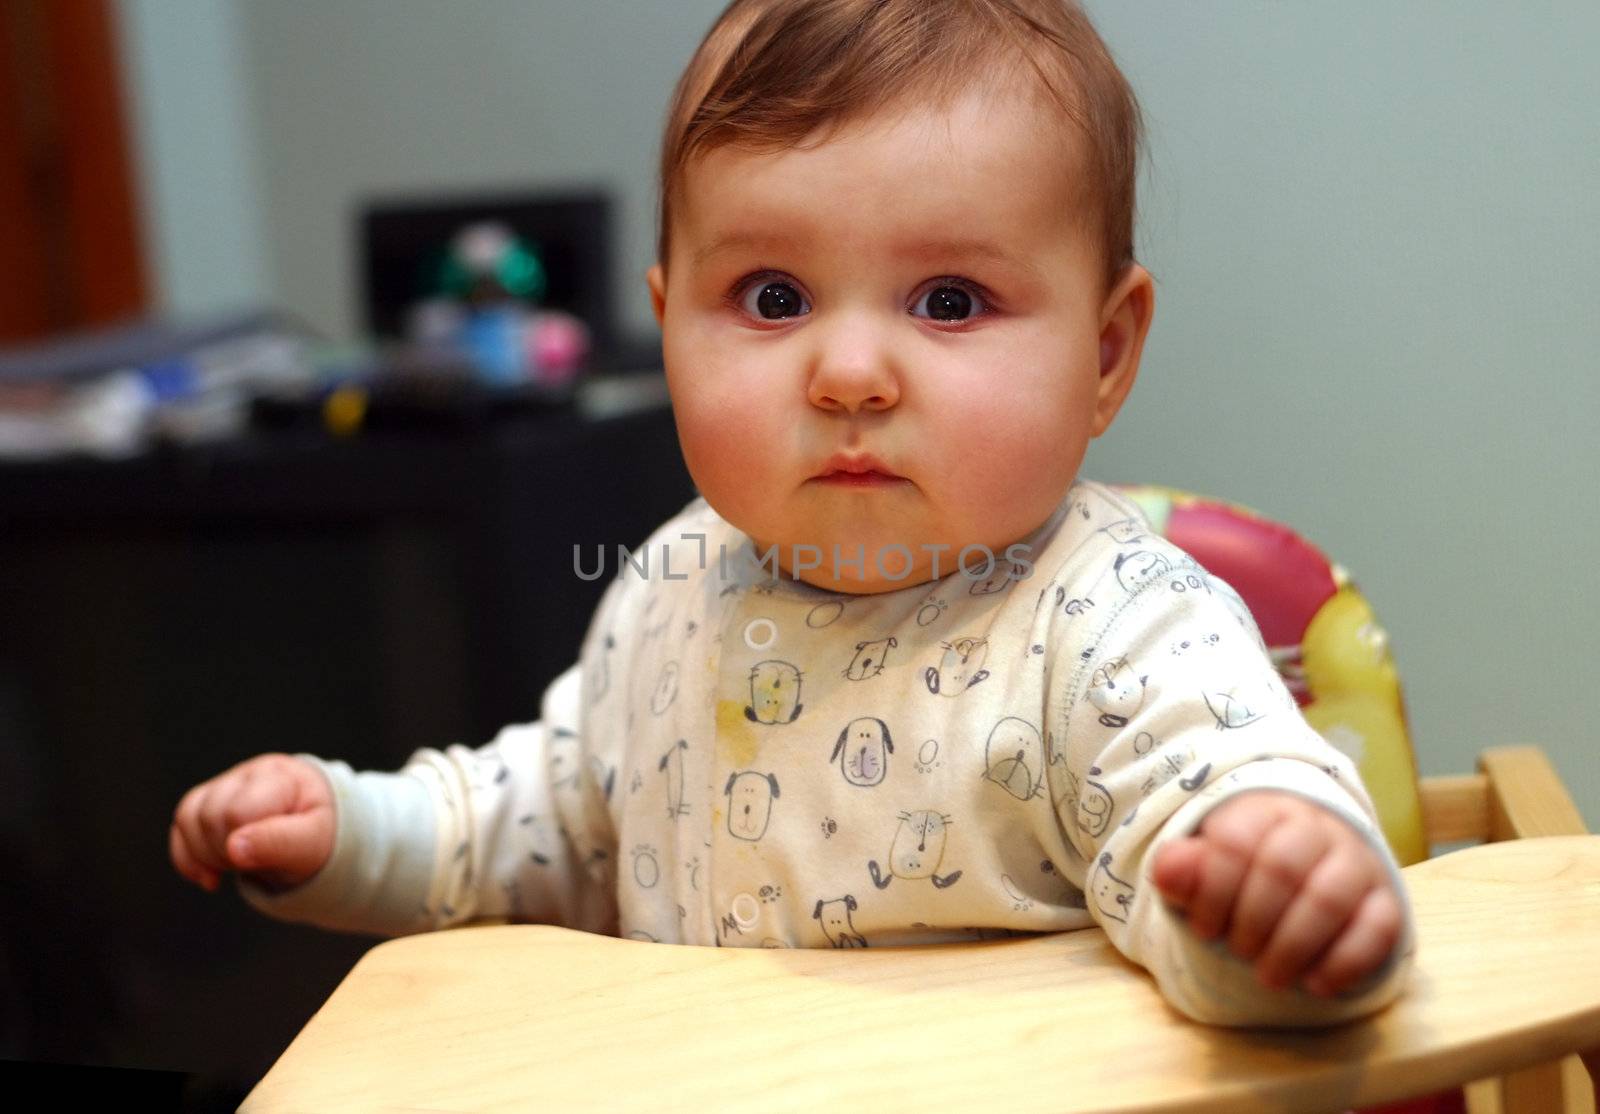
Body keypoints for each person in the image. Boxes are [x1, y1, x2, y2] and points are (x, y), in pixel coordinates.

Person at [170, 0, 1414, 1027]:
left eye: (947, 300)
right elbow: (543, 818)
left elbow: (1225, 801)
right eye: (772, 297)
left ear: (1102, 352)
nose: (849, 372)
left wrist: (1269, 901)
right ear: (665, 326)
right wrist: (346, 831)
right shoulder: (671, 585)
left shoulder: (1114, 625)